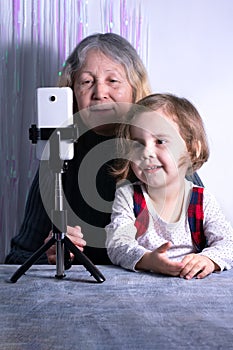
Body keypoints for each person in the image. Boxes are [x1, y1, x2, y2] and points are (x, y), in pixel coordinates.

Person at [5, 34, 203, 266]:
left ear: (134, 89)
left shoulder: (161, 152)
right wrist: (49, 256)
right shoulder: (59, 156)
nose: (100, 93)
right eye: (87, 82)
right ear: (72, 92)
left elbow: (211, 247)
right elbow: (16, 259)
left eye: (113, 81)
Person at [106, 93, 233, 279]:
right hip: (139, 288)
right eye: (138, 144)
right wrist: (149, 260)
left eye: (160, 141)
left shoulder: (202, 200)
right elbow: (117, 243)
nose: (147, 152)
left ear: (192, 149)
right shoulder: (127, 196)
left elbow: (228, 243)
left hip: (193, 289)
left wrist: (208, 260)